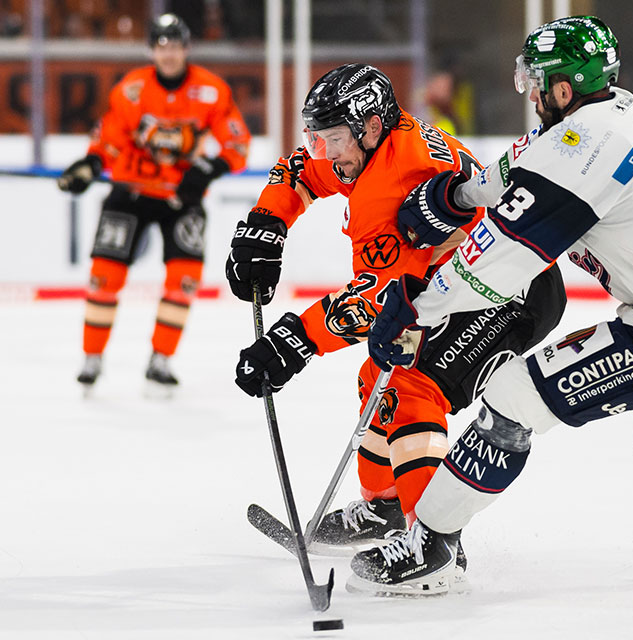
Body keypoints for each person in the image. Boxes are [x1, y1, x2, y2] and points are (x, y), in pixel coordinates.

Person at [356, 15, 633, 596]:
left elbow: (495, 262)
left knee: (509, 402)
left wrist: (416, 306)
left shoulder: (581, 149)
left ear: (563, 89)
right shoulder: (620, 115)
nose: (530, 92)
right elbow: (519, 168)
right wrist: (456, 194)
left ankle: (430, 546)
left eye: (538, 81)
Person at [225, 64, 564, 560]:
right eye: (319, 137)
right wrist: (266, 224)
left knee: (409, 384)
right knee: (378, 373)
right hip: (465, 281)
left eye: (333, 139)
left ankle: (433, 544)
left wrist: (293, 341)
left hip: (510, 290)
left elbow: (387, 298)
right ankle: (386, 506)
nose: (327, 152)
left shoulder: (400, 176)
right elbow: (300, 169)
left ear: (371, 127)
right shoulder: (366, 145)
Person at [59, 13, 250, 392]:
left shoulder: (211, 91)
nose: (169, 54)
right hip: (130, 192)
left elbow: (237, 143)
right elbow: (110, 138)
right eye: (162, 46)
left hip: (182, 196)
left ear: (186, 49)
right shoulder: (131, 89)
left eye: (176, 45)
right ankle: (92, 358)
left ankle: (160, 360)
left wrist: (209, 169)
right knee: (104, 276)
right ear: (151, 50)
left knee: (184, 281)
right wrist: (90, 164)